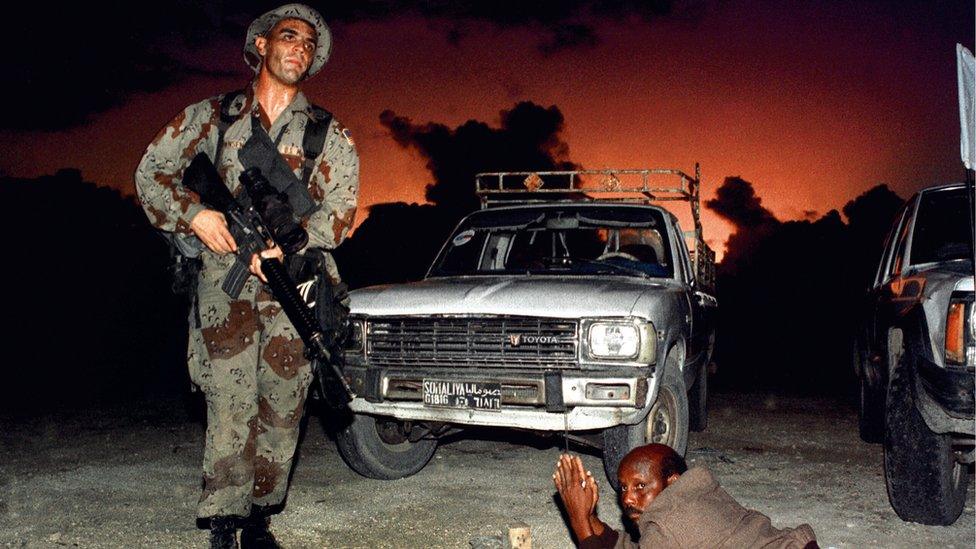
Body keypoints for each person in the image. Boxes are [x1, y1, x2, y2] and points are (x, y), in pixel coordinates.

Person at [135, 4, 358, 548]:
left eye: (309, 44)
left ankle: (259, 514)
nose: (299, 49)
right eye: (289, 37)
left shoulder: (326, 132)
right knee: (230, 398)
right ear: (261, 45)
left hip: (293, 283)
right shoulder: (213, 117)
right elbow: (151, 172)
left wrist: (289, 245)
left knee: (284, 400)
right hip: (223, 281)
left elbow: (342, 210)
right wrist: (196, 215)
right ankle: (223, 521)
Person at [553, 445, 819, 548]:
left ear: (673, 482)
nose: (628, 499)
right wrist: (589, 518)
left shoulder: (667, 523)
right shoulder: (700, 494)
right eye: (623, 488)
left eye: (640, 486)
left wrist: (578, 522)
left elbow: (661, 539)